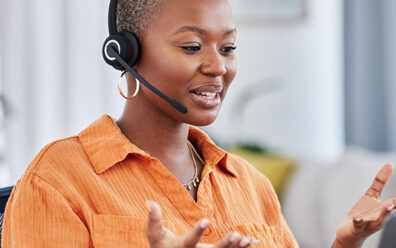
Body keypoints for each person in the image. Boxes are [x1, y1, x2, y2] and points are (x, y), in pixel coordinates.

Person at [2, 0, 395, 247]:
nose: (218, 67)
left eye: (228, 48)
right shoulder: (57, 179)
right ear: (125, 54)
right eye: (192, 46)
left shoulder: (249, 184)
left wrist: (345, 245)